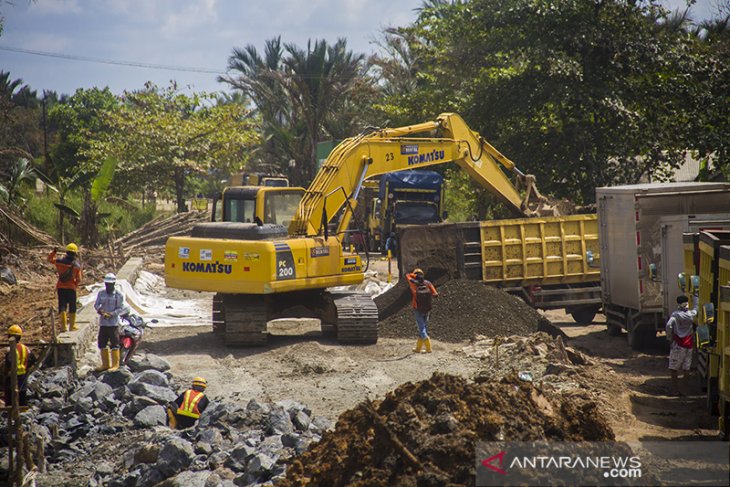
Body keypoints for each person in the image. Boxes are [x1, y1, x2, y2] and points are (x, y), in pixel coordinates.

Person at [665, 293, 698, 396]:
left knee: (673, 368)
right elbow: (696, 307)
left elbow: (669, 325)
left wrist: (669, 337)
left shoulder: (675, 314)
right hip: (689, 345)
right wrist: (696, 297)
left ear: (678, 303)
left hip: (678, 345)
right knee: (686, 369)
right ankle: (684, 391)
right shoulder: (691, 314)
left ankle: (675, 390)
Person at [47, 243, 83, 332]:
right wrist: (75, 284)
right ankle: (72, 326)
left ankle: (63, 327)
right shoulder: (76, 266)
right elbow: (79, 279)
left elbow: (50, 259)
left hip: (61, 287)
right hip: (71, 288)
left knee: (62, 306)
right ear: (75, 253)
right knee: (72, 306)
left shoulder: (59, 261)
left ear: (67, 252)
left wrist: (54, 251)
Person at [94, 273, 125, 372]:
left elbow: (121, 308)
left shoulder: (118, 295)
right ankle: (105, 364)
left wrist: (112, 314)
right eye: (107, 284)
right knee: (102, 343)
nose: (108, 286)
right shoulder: (101, 293)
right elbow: (96, 305)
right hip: (103, 323)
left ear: (114, 284)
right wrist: (101, 311)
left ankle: (115, 364)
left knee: (114, 343)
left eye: (110, 284)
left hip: (113, 324)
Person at [3, 325, 37, 407]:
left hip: (12, 376)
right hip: (23, 375)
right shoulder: (26, 348)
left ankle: (10, 414)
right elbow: (33, 360)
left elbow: (8, 364)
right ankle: (23, 414)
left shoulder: (10, 350)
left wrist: (5, 374)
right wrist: (26, 367)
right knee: (22, 395)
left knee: (10, 398)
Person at [406, 268, 438, 353]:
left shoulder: (413, 283)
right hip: (427, 309)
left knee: (421, 328)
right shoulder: (428, 283)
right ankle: (418, 348)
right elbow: (435, 294)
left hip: (417, 308)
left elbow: (407, 275)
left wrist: (415, 276)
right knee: (423, 328)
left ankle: (428, 348)